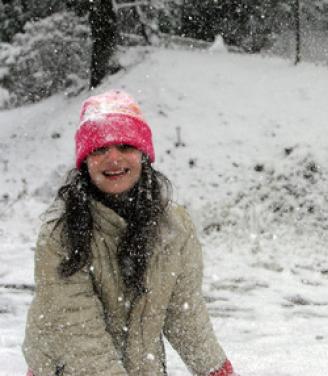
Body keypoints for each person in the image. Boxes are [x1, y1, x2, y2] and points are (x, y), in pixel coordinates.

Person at [22, 90, 236, 375]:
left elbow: (183, 310)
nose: (113, 159)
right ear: (85, 161)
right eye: (99, 149)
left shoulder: (173, 226)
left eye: (125, 146)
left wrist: (215, 368)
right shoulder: (61, 233)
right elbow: (78, 334)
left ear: (143, 155)